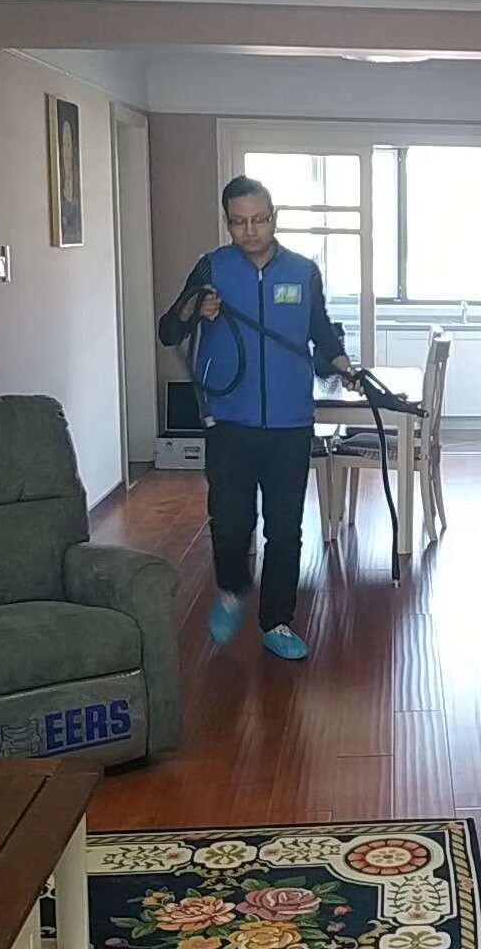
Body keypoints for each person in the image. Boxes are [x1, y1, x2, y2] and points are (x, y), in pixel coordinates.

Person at [159, 176, 355, 661]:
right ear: (227, 222)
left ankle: (277, 621)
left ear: (274, 217)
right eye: (238, 222)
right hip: (229, 421)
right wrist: (196, 309)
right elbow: (169, 331)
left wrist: (342, 363)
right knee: (230, 522)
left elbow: (320, 332)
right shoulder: (213, 267)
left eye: (259, 220)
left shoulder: (303, 271)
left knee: (285, 528)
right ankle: (231, 590)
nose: (250, 231)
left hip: (290, 422)